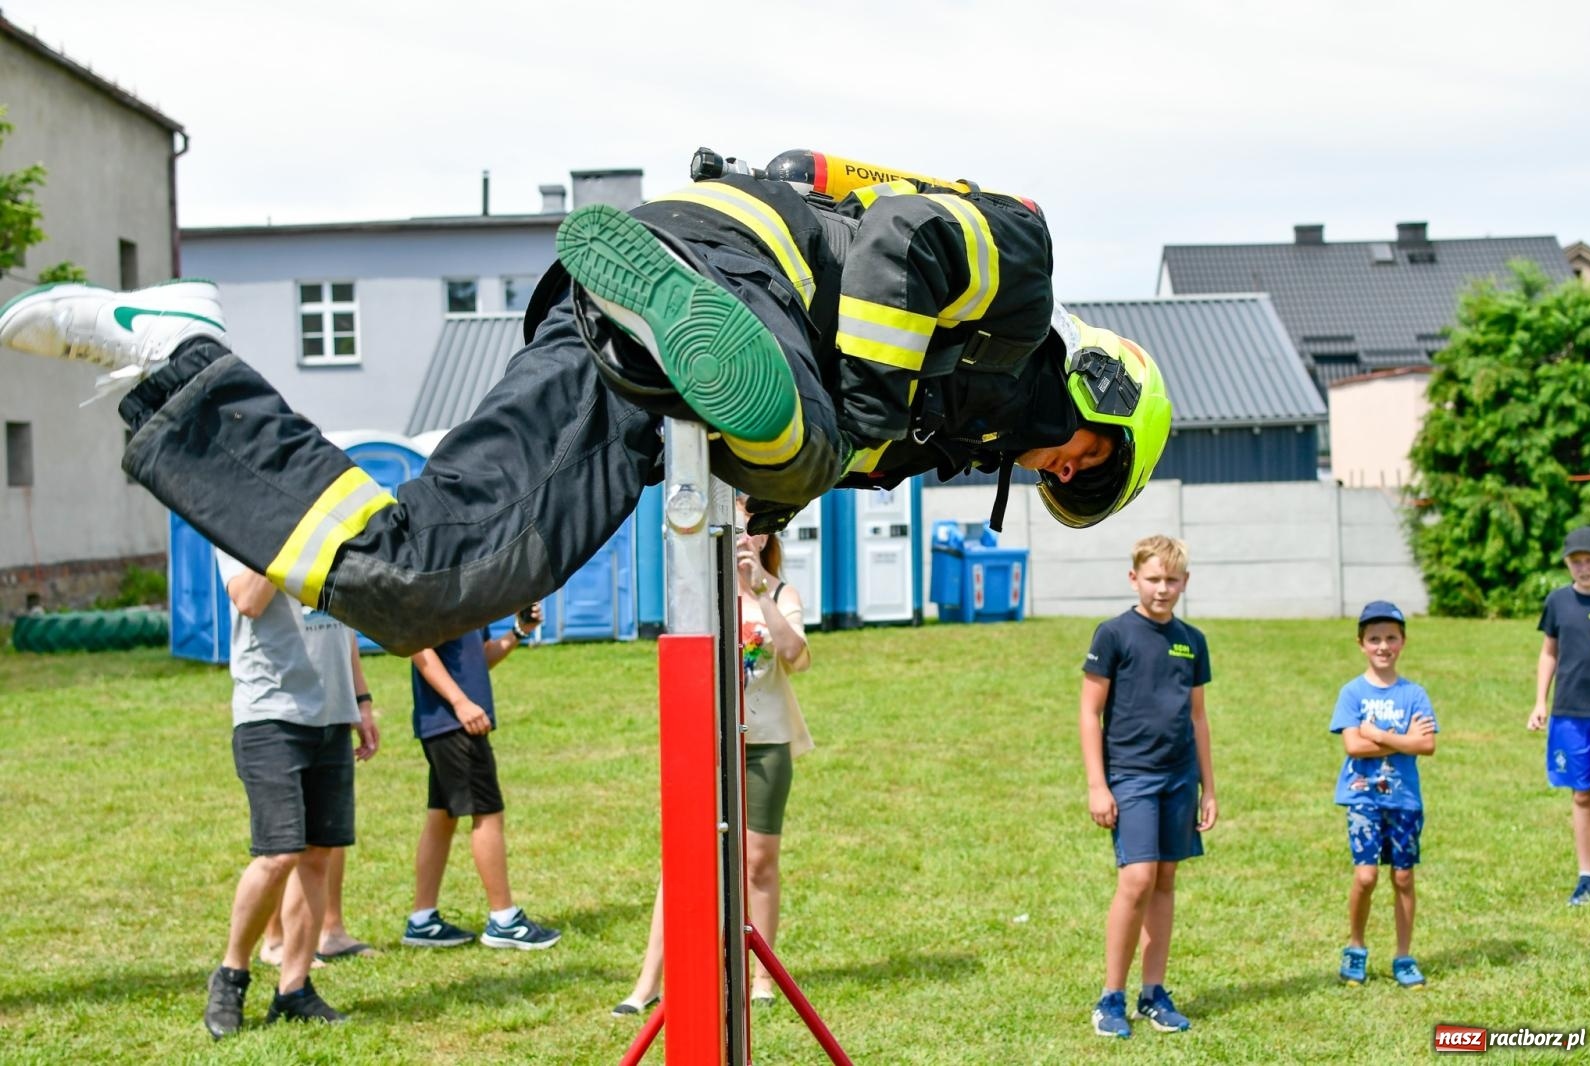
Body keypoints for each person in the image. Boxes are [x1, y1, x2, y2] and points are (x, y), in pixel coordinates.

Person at [0, 155, 1171, 657]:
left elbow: (838, 449)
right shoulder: (1024, 280)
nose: (1065, 472)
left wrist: (764, 523)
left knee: (419, 583)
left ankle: (176, 355)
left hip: (630, 354)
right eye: (1087, 460)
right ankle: (707, 354)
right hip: (738, 266)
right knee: (812, 447)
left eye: (1077, 488)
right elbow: (908, 237)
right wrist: (846, 428)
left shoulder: (928, 441)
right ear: (1102, 392)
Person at [614, 497, 813, 1016]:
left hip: (765, 744)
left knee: (759, 862)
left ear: (767, 538)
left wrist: (762, 590)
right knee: (683, 860)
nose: (745, 539)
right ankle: (648, 982)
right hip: (708, 744)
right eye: (738, 530)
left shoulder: (781, 593)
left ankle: (763, 977)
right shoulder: (700, 594)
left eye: (754, 531)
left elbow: (795, 656)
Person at [203, 552, 379, 1039]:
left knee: (317, 856)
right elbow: (249, 600)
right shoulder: (236, 528)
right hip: (270, 712)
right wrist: (285, 542)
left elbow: (341, 619)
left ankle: (293, 991)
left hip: (331, 713)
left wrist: (361, 700)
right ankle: (231, 975)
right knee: (278, 852)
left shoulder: (327, 526)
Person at [1078, 535, 1215, 1039]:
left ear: (1185, 582)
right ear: (1133, 578)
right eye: (1153, 579)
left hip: (1179, 777)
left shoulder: (1191, 640)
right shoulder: (1113, 634)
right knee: (1135, 880)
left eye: (1172, 580)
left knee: (1164, 881)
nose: (1163, 589)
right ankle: (1110, 998)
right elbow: (1090, 713)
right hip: (1131, 776)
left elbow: (1199, 718)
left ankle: (1153, 993)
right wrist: (1098, 784)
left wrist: (1209, 787)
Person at [401, 603, 561, 951]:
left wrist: (518, 631)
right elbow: (418, 648)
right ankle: (504, 920)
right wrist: (460, 703)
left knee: (441, 816)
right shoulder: (432, 585)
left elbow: (481, 657)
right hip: (455, 722)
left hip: (452, 721)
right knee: (487, 812)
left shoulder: (465, 593)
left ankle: (422, 920)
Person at [1330, 600, 1437, 990]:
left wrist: (1379, 734)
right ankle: (1356, 946)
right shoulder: (1352, 693)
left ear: (1403, 642)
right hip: (1363, 798)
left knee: (1404, 877)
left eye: (1391, 638)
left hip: (1404, 799)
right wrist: (1403, 740)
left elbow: (1427, 745)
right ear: (1361, 644)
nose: (1382, 646)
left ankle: (1403, 955)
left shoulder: (1415, 694)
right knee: (1366, 875)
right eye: (1374, 638)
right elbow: (1354, 747)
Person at [1529, 526, 1590, 907]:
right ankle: (1587, 876)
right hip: (1571, 712)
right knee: (1583, 793)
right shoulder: (1559, 602)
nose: (1583, 568)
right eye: (1576, 561)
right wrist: (1540, 701)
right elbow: (1549, 653)